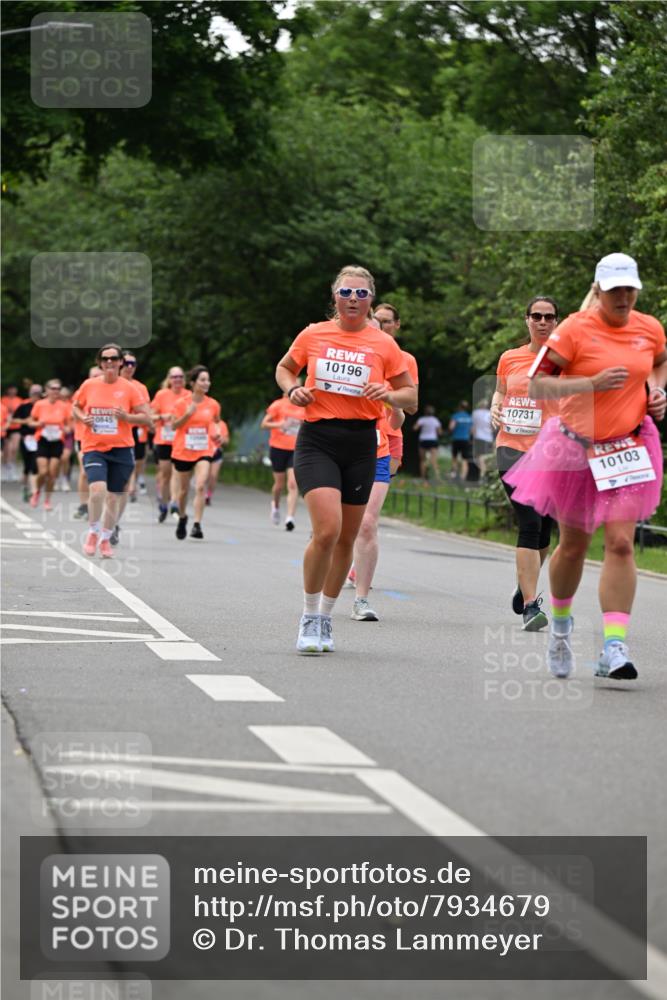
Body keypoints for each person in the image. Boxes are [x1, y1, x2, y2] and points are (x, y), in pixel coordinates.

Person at [504, 253, 666, 680]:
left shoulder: (648, 328)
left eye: (630, 289)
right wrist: (589, 384)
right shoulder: (575, 329)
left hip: (628, 447)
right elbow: (539, 384)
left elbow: (660, 362)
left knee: (620, 544)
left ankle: (614, 646)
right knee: (573, 545)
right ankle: (559, 628)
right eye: (615, 290)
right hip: (575, 449)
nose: (624, 297)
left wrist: (656, 391)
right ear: (598, 290)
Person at [275, 264, 417, 654]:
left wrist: (387, 395)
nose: (353, 300)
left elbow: (411, 396)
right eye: (346, 293)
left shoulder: (384, 345)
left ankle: (325, 616)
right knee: (327, 530)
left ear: (371, 300)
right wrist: (292, 391)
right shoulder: (313, 334)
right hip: (318, 438)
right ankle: (307, 615)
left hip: (362, 443)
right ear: (334, 297)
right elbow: (286, 368)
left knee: (347, 539)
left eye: (361, 294)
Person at [491, 297, 560, 631]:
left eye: (549, 316)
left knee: (545, 530)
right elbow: (500, 393)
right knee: (529, 523)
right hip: (511, 450)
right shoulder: (510, 357)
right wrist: (495, 407)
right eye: (536, 315)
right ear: (527, 319)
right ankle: (531, 606)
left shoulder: (566, 362)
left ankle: (525, 582)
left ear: (557, 322)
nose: (542, 321)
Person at [349, 301, 419, 619]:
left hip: (387, 441)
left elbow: (404, 412)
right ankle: (343, 555)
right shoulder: (353, 352)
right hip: (348, 439)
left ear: (396, 326)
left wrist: (392, 400)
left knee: (368, 519)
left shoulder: (403, 360)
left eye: (387, 321)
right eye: (376, 320)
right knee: (347, 519)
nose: (381, 325)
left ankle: (361, 593)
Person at [72, 344, 151, 558]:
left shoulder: (129, 388)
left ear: (120, 363)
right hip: (94, 447)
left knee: (114, 498)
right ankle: (93, 532)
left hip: (122, 449)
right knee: (97, 490)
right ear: (99, 362)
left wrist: (127, 418)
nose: (109, 362)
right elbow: (76, 406)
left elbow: (147, 417)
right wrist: (82, 418)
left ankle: (106, 538)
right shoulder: (89, 385)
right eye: (105, 359)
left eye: (114, 358)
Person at [170, 365, 223, 540]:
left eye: (208, 380)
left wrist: (217, 434)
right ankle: (183, 517)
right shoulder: (181, 403)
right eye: (202, 380)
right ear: (193, 383)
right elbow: (173, 426)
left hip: (203, 450)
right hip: (183, 451)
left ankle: (197, 524)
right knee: (183, 491)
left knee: (200, 485)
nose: (206, 383)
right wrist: (187, 414)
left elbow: (216, 422)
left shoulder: (213, 404)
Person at [260, 389, 305, 530]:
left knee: (293, 484)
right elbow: (264, 424)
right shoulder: (278, 405)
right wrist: (280, 425)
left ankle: (290, 518)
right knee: (279, 484)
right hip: (278, 447)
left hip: (295, 449)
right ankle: (275, 505)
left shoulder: (304, 407)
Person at [151, 366, 191, 522]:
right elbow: (150, 416)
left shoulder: (188, 395)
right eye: (174, 377)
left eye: (180, 376)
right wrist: (163, 416)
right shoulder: (162, 395)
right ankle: (164, 502)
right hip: (164, 439)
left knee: (177, 471)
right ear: (169, 379)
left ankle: (174, 501)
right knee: (165, 473)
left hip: (180, 440)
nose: (178, 380)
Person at [28, 380, 72, 511]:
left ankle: (47, 500)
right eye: (53, 388)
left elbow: (70, 424)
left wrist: (67, 429)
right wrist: (38, 424)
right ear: (46, 390)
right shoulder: (39, 404)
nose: (56, 391)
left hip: (57, 441)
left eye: (58, 389)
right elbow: (30, 422)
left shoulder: (64, 406)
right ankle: (37, 493)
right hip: (43, 439)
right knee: (43, 471)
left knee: (52, 474)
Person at [72, 365, 102, 520]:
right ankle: (84, 505)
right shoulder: (82, 391)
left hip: (102, 439)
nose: (96, 378)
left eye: (99, 375)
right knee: (85, 471)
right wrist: (85, 417)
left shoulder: (108, 390)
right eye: (93, 376)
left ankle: (94, 504)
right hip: (83, 437)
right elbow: (74, 412)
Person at [12, 384, 43, 501]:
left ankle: (34, 490)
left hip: (39, 438)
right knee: (27, 465)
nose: (36, 396)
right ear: (30, 394)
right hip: (26, 437)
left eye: (38, 394)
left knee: (35, 465)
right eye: (34, 394)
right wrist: (25, 421)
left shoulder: (42, 405)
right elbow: (13, 419)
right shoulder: (24, 406)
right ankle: (25, 487)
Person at [1, 384, 24, 481]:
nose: (12, 391)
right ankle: (6, 468)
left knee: (14, 448)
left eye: (14, 389)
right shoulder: (3, 400)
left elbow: (23, 414)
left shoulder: (19, 400)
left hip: (16, 426)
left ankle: (12, 467)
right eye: (10, 389)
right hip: (5, 427)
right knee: (7, 450)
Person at [414, 405, 442, 482]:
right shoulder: (435, 420)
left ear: (425, 412)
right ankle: (437, 478)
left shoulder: (422, 419)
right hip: (433, 440)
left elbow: (415, 428)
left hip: (423, 440)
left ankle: (423, 477)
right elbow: (439, 432)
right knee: (434, 460)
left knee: (422, 460)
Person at [206, 418, 229, 506]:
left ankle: (208, 495)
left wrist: (223, 440)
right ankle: (202, 493)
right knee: (206, 476)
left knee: (213, 475)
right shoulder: (206, 421)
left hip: (217, 452)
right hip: (206, 451)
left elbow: (227, 440)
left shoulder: (222, 424)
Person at [448, 400, 473, 481]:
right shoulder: (469, 417)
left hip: (456, 439)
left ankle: (453, 475)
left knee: (454, 457)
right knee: (465, 459)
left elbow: (451, 427)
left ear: (459, 407)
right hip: (465, 440)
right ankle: (463, 478)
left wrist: (452, 432)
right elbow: (472, 431)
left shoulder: (456, 416)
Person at [471, 398, 494, 479]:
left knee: (479, 457)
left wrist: (472, 438)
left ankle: (482, 474)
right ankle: (484, 474)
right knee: (485, 457)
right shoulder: (490, 414)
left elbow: (473, 427)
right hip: (489, 438)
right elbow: (493, 427)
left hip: (478, 437)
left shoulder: (475, 413)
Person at [58, 387, 74, 491]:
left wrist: (69, 428)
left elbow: (74, 420)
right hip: (56, 434)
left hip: (68, 435)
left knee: (65, 457)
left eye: (65, 395)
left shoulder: (71, 405)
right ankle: (55, 478)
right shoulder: (55, 404)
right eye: (61, 395)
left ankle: (65, 479)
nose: (63, 397)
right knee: (56, 459)